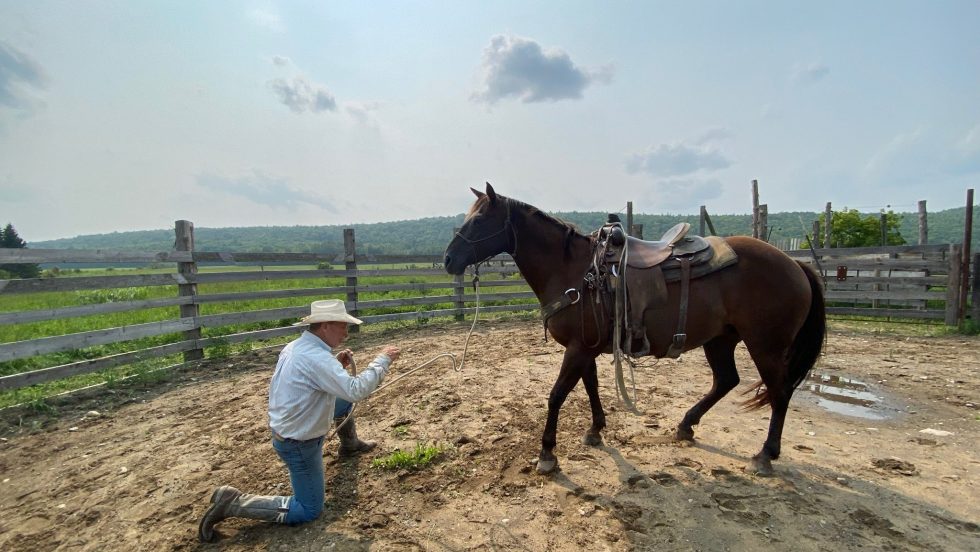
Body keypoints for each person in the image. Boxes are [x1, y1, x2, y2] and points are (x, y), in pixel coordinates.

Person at [198, 299, 400, 542]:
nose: (347, 332)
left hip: (291, 424)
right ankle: (234, 503)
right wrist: (383, 360)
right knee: (308, 509)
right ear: (325, 326)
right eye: (342, 326)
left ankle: (350, 444)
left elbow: (310, 381)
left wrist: (335, 367)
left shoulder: (298, 347)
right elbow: (356, 389)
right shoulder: (316, 358)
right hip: (298, 441)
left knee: (343, 400)